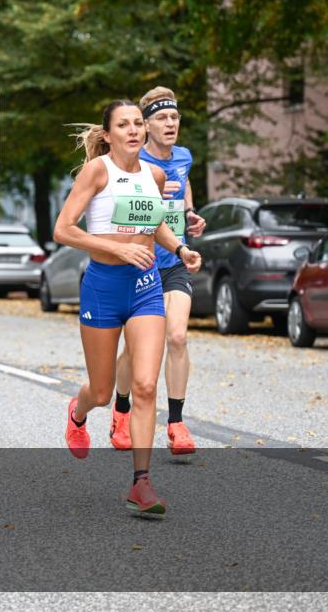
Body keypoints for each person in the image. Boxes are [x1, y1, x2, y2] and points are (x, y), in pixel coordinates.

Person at [53, 100, 201, 517]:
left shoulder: (155, 175)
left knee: (145, 386)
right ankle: (79, 412)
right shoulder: (96, 171)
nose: (134, 130)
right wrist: (117, 248)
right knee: (102, 392)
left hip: (145, 287)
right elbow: (63, 229)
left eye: (138, 123)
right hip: (103, 287)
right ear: (108, 134)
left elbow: (155, 223)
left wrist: (180, 248)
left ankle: (141, 482)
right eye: (124, 125)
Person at [111, 87, 207, 455]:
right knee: (136, 348)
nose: (170, 123)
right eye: (162, 118)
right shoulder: (132, 161)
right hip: (141, 263)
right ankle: (121, 409)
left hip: (175, 262)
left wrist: (190, 214)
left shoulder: (183, 156)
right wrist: (149, 199)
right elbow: (117, 210)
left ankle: (177, 424)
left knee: (177, 337)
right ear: (146, 125)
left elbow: (184, 186)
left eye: (175, 117)